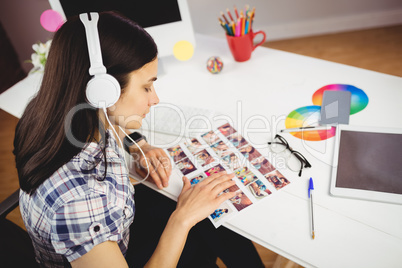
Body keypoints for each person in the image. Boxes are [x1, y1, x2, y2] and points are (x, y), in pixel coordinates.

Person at [13, 11, 263, 268]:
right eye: (146, 86)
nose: (155, 99)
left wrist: (138, 144)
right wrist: (182, 220)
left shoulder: (51, 114)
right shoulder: (80, 201)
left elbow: (113, 123)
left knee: (217, 216)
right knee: (198, 225)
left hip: (117, 222)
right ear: (104, 92)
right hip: (113, 248)